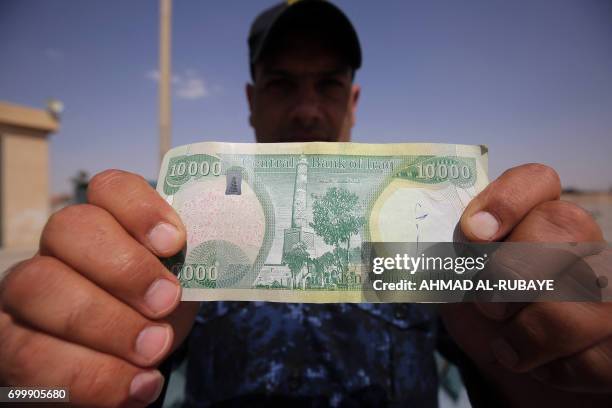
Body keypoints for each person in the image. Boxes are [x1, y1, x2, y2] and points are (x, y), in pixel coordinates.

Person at [0, 1, 609, 407]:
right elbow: (49, 390)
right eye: (282, 83)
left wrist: (548, 370)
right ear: (249, 98)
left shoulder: (430, 239)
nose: (308, 109)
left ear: (355, 99)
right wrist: (26, 390)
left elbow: (507, 374)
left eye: (329, 84)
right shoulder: (172, 243)